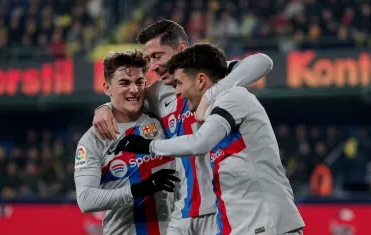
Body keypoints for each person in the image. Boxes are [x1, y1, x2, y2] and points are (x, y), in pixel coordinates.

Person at [93, 20, 273, 235]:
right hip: (182, 212)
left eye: (158, 56)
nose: (152, 66)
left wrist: (211, 95)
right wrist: (103, 108)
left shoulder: (212, 79)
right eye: (149, 59)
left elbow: (263, 62)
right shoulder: (157, 94)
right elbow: (125, 99)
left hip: (221, 210)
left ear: (181, 50)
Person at [115, 43, 305, 235]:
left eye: (180, 83)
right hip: (242, 226)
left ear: (200, 80)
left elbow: (200, 142)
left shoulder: (233, 97)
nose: (178, 92)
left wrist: (149, 146)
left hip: (268, 224)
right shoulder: (213, 110)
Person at [74, 49, 180, 235]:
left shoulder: (160, 114)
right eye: (124, 83)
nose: (134, 89)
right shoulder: (93, 140)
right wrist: (140, 189)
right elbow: (86, 199)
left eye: (139, 82)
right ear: (107, 88)